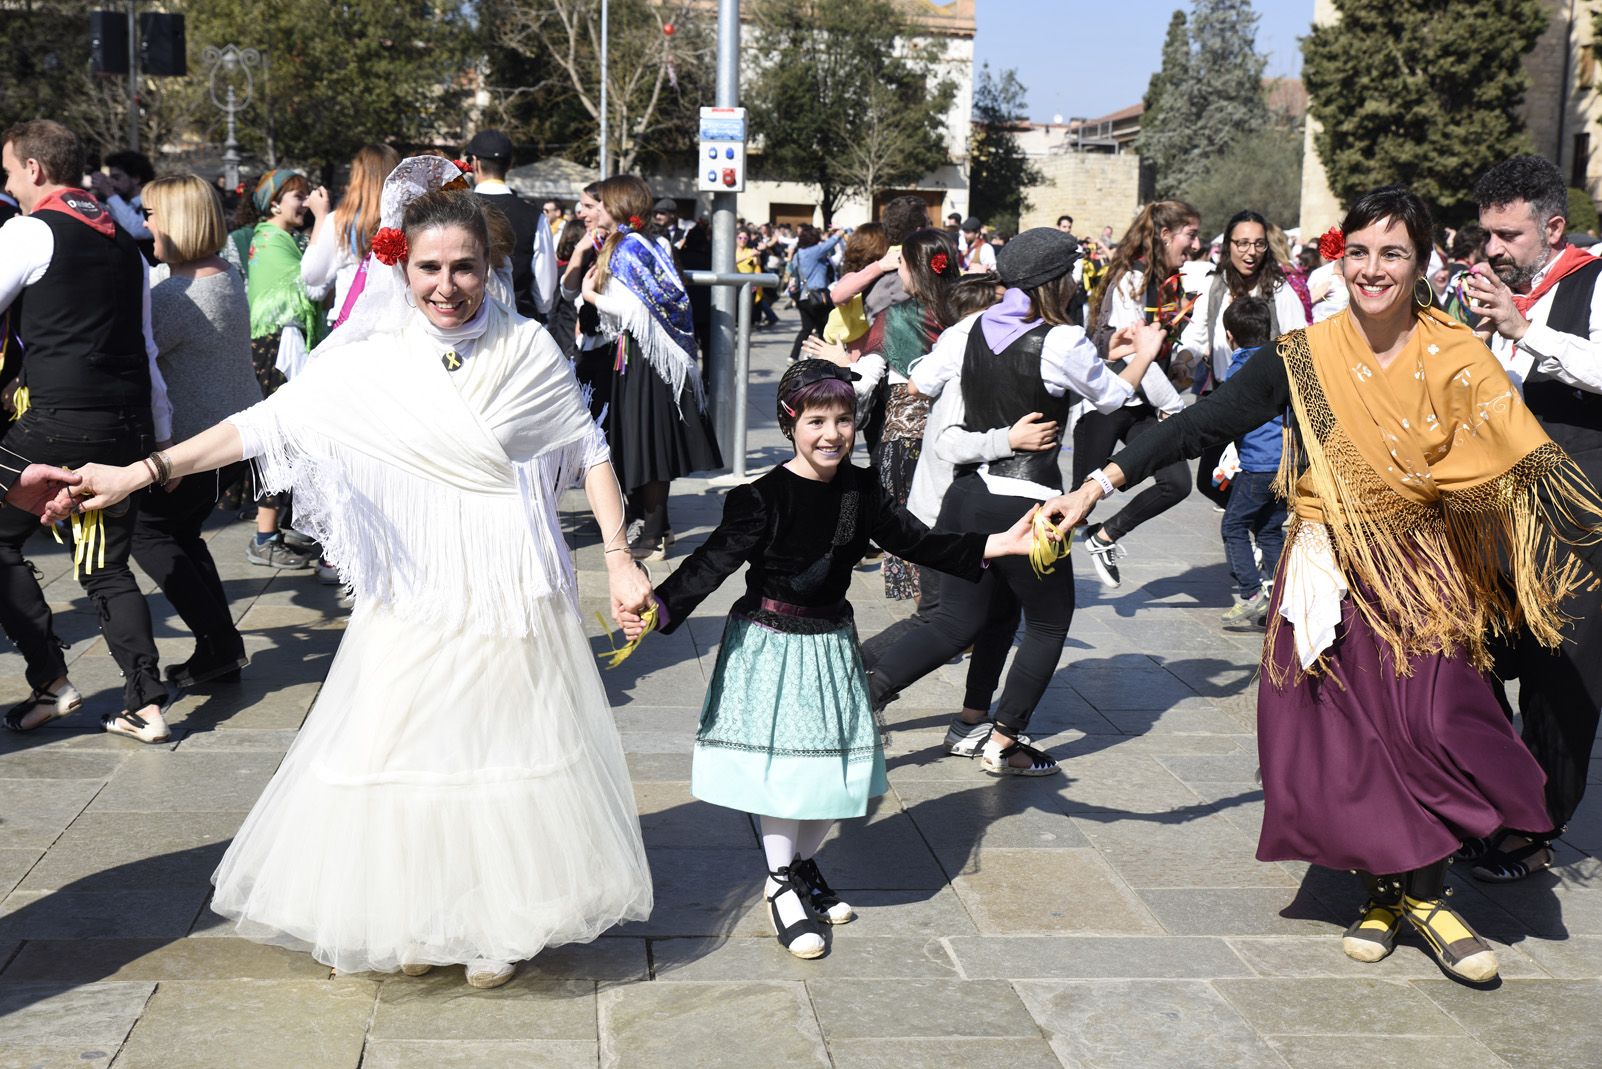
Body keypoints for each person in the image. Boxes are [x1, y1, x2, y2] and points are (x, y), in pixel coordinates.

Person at [53, 162, 655, 989]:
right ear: (401, 266)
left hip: (505, 578)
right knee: (402, 744)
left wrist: (619, 560)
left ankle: (495, 923)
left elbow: (588, 450)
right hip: (412, 584)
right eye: (430, 269)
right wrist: (139, 472)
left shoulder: (525, 348)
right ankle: (418, 910)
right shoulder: (368, 355)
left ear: (489, 267)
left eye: (464, 268)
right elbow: (263, 423)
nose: (447, 286)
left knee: (496, 745)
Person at [1046, 185, 1600, 983]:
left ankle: (1431, 895)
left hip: (1428, 575)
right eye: (1362, 253)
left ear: (1421, 264)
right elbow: (1201, 423)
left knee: (1437, 723)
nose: (1374, 269)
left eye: (1394, 253)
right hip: (1330, 570)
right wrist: (1096, 485)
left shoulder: (1456, 353)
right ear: (1343, 258)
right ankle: (1391, 895)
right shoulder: (1303, 355)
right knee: (1353, 742)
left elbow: (1514, 460)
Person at [620, 359, 1038, 958]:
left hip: (832, 644)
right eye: (817, 420)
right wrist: (657, 609)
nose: (832, 434)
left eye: (843, 420)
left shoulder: (861, 489)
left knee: (838, 772)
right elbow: (710, 564)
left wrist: (1004, 542)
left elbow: (918, 542)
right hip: (771, 646)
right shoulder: (760, 498)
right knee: (788, 775)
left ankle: (805, 864)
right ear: (791, 422)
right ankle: (780, 882)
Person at [855, 230, 1168, 774]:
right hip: (1029, 506)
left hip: (966, 497)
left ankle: (865, 703)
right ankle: (1004, 742)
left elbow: (921, 381)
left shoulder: (967, 328)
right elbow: (1115, 398)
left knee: (961, 623)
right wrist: (1144, 355)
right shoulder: (1062, 339)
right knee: (1048, 623)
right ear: (1057, 281)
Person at [0, 120, 175, 737]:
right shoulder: (124, 241)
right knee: (105, 566)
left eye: (10, 172)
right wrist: (159, 440)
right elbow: (148, 348)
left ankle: (50, 678)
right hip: (124, 426)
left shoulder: (29, 230)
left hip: (54, 421)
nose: (10, 184)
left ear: (36, 170)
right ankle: (145, 703)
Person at [1464, 154, 1602, 882]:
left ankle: (1537, 825)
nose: (1493, 249)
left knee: (1561, 674)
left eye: (1509, 235)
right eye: (1487, 233)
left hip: (1579, 520)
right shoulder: (1494, 294)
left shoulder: (1594, 281)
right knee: (1467, 648)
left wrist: (1527, 330)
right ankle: (1494, 787)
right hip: (1495, 513)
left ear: (1552, 227)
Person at [133, 174, 265, 703]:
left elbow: (133, 355)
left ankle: (219, 645)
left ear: (178, 221)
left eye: (151, 213)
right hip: (233, 434)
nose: (144, 223)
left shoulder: (175, 297)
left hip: (195, 444)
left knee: (150, 534)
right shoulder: (226, 274)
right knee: (182, 535)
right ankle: (221, 650)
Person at [578, 174, 722, 561]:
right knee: (643, 442)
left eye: (602, 203)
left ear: (620, 206)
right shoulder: (637, 243)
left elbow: (634, 309)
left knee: (650, 444)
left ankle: (656, 532)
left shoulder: (629, 247)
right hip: (642, 355)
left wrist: (590, 294)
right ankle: (661, 527)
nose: (596, 210)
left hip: (647, 359)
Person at [1071, 200, 1194, 587]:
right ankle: (1026, 585)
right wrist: (1175, 405)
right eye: (1189, 235)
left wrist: (1180, 362)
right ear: (1165, 235)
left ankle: (1105, 537)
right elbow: (1133, 357)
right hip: (1107, 403)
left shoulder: (1165, 281)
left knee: (1175, 482)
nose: (1195, 244)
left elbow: (1155, 351)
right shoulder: (1130, 280)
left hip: (1142, 407)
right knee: (1075, 503)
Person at [853, 228, 962, 600]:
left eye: (901, 265)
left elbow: (866, 380)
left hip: (906, 436)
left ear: (916, 269)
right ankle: (957, 606)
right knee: (955, 525)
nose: (897, 274)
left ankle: (933, 610)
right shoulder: (970, 312)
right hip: (962, 435)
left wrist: (835, 372)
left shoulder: (894, 317)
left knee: (912, 526)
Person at [1177, 210, 1309, 509]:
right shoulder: (1215, 286)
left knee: (1262, 479)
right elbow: (1197, 337)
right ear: (1229, 246)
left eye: (1259, 244)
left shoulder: (1278, 290)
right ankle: (1255, 531)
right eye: (1243, 243)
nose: (1251, 252)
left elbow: (1302, 343)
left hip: (1266, 407)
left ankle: (1254, 535)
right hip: (1224, 396)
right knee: (1210, 480)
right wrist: (1183, 361)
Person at [239, 167, 323, 569]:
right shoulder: (272, 240)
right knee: (280, 442)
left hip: (273, 347)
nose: (305, 202)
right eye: (298, 196)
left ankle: (272, 529)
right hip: (276, 349)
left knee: (285, 440)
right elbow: (307, 285)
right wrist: (324, 221)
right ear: (274, 203)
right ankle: (264, 536)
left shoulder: (276, 237)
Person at [1213, 296, 1285, 630]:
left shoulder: (1239, 368)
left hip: (1257, 464)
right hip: (1284, 464)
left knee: (1233, 526)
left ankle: (1251, 593)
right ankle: (1281, 595)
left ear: (1230, 335)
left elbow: (1231, 417)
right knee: (1270, 529)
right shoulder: (1280, 362)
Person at [301, 144, 400, 327]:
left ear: (357, 178)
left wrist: (320, 218)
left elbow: (311, 275)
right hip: (392, 323)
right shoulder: (406, 220)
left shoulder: (339, 222)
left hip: (348, 323)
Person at [464, 129, 557, 322]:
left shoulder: (457, 209)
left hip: (467, 323)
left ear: (475, 162)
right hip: (519, 322)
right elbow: (545, 294)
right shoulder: (534, 216)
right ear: (510, 164)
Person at [787, 224, 843, 363]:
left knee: (806, 329)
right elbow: (832, 242)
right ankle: (826, 358)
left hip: (802, 297)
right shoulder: (815, 251)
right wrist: (840, 231)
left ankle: (793, 356)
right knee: (827, 327)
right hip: (818, 297)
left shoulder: (798, 255)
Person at [92, 150, 157, 260]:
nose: (111, 183)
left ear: (136, 178)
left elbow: (135, 229)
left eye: (116, 178)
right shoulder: (122, 205)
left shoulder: (154, 202)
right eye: (110, 178)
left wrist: (109, 193)